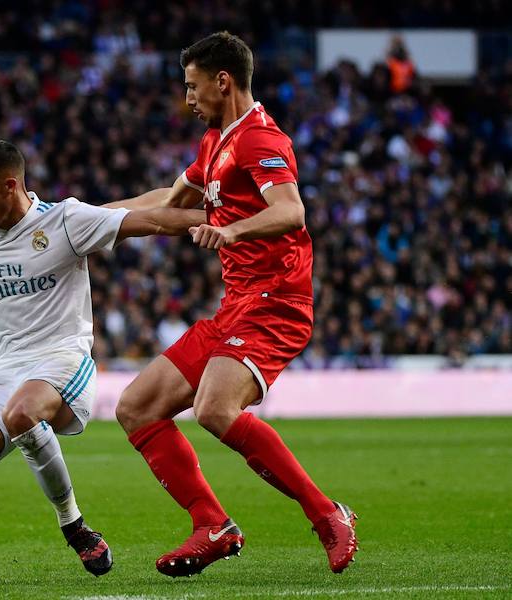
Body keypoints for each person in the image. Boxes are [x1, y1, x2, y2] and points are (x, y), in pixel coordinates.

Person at [0, 139, 206, 585]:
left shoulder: (65, 220)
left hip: (62, 360)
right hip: (2, 366)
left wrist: (231, 222)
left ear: (9, 186)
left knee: (22, 413)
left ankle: (74, 525)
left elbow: (151, 221)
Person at [107, 32, 359, 576]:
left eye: (193, 87)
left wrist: (233, 231)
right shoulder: (215, 142)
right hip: (236, 305)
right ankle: (212, 525)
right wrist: (85, 217)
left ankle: (327, 514)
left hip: (277, 301)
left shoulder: (260, 140)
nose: (188, 98)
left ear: (224, 81)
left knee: (215, 410)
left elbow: (291, 212)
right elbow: (168, 202)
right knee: (136, 407)